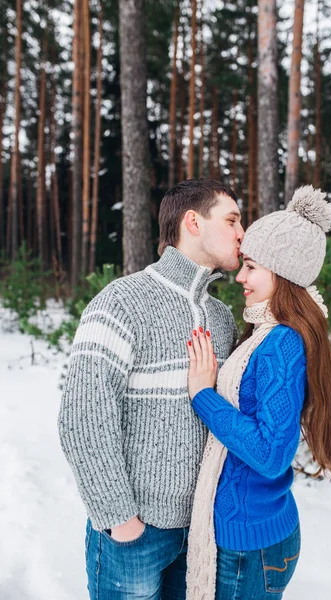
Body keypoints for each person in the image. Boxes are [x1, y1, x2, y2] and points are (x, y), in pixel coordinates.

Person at [58, 179, 244, 600]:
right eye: (231, 219)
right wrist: (120, 518)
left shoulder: (220, 316)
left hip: (199, 531)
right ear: (193, 222)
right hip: (136, 535)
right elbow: (82, 418)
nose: (241, 232)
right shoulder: (122, 300)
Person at [185, 185, 331, 600]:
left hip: (249, 546)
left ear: (283, 274)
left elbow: (271, 454)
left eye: (252, 267)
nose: (240, 276)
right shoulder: (268, 333)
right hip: (255, 534)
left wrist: (203, 395)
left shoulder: (281, 343)